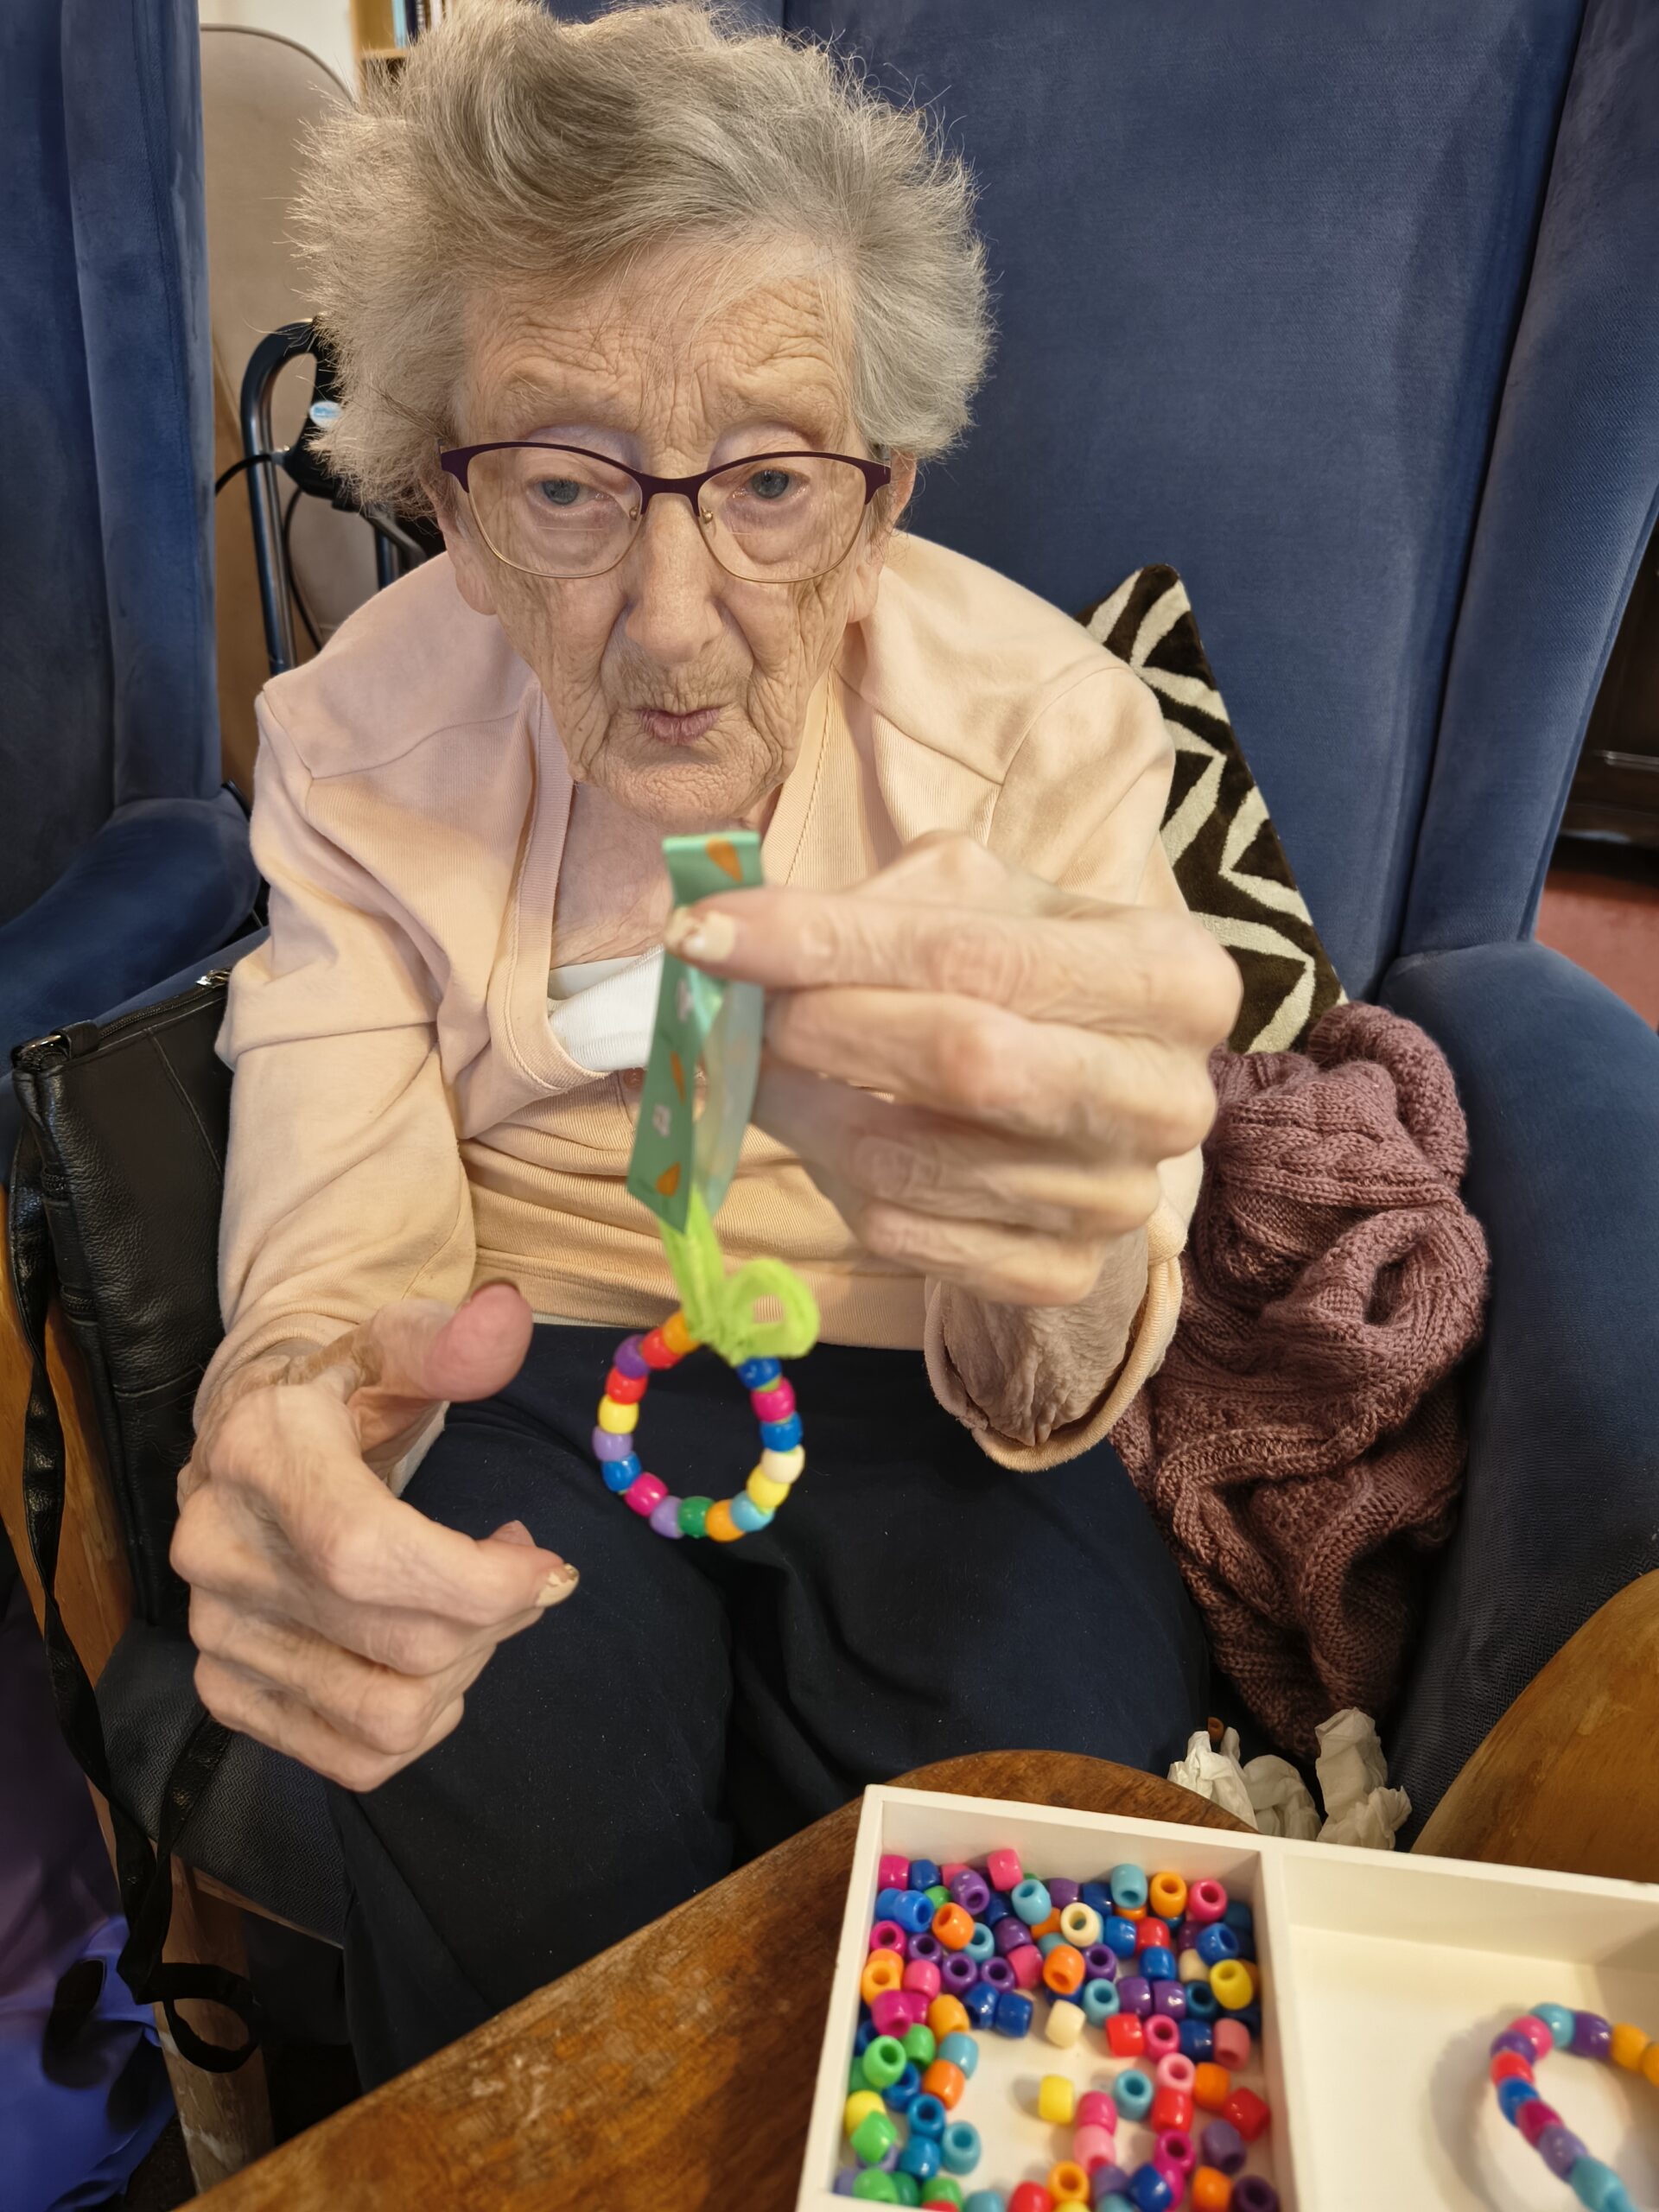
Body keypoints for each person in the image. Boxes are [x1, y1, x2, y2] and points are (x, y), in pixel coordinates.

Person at [172, 0, 1240, 2082]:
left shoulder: (1047, 729)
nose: (671, 622)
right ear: (449, 501)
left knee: (1039, 1921)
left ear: (881, 488)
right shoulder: (348, 739)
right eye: (567, 485)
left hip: (919, 1364)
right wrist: (297, 1414)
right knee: (507, 1859)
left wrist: (1062, 1247)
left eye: (766, 481)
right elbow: (337, 1253)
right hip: (527, 1357)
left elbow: (1071, 1327)